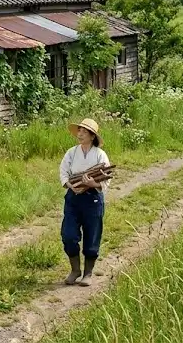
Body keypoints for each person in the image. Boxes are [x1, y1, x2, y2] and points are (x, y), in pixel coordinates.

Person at [59, 118, 110, 286]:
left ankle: (88, 273)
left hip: (93, 199)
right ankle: (75, 270)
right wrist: (71, 186)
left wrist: (91, 184)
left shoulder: (100, 155)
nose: (80, 134)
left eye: (84, 132)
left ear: (92, 136)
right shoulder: (71, 153)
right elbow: (63, 173)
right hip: (73, 199)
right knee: (68, 235)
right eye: (79, 130)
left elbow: (105, 180)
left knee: (92, 235)